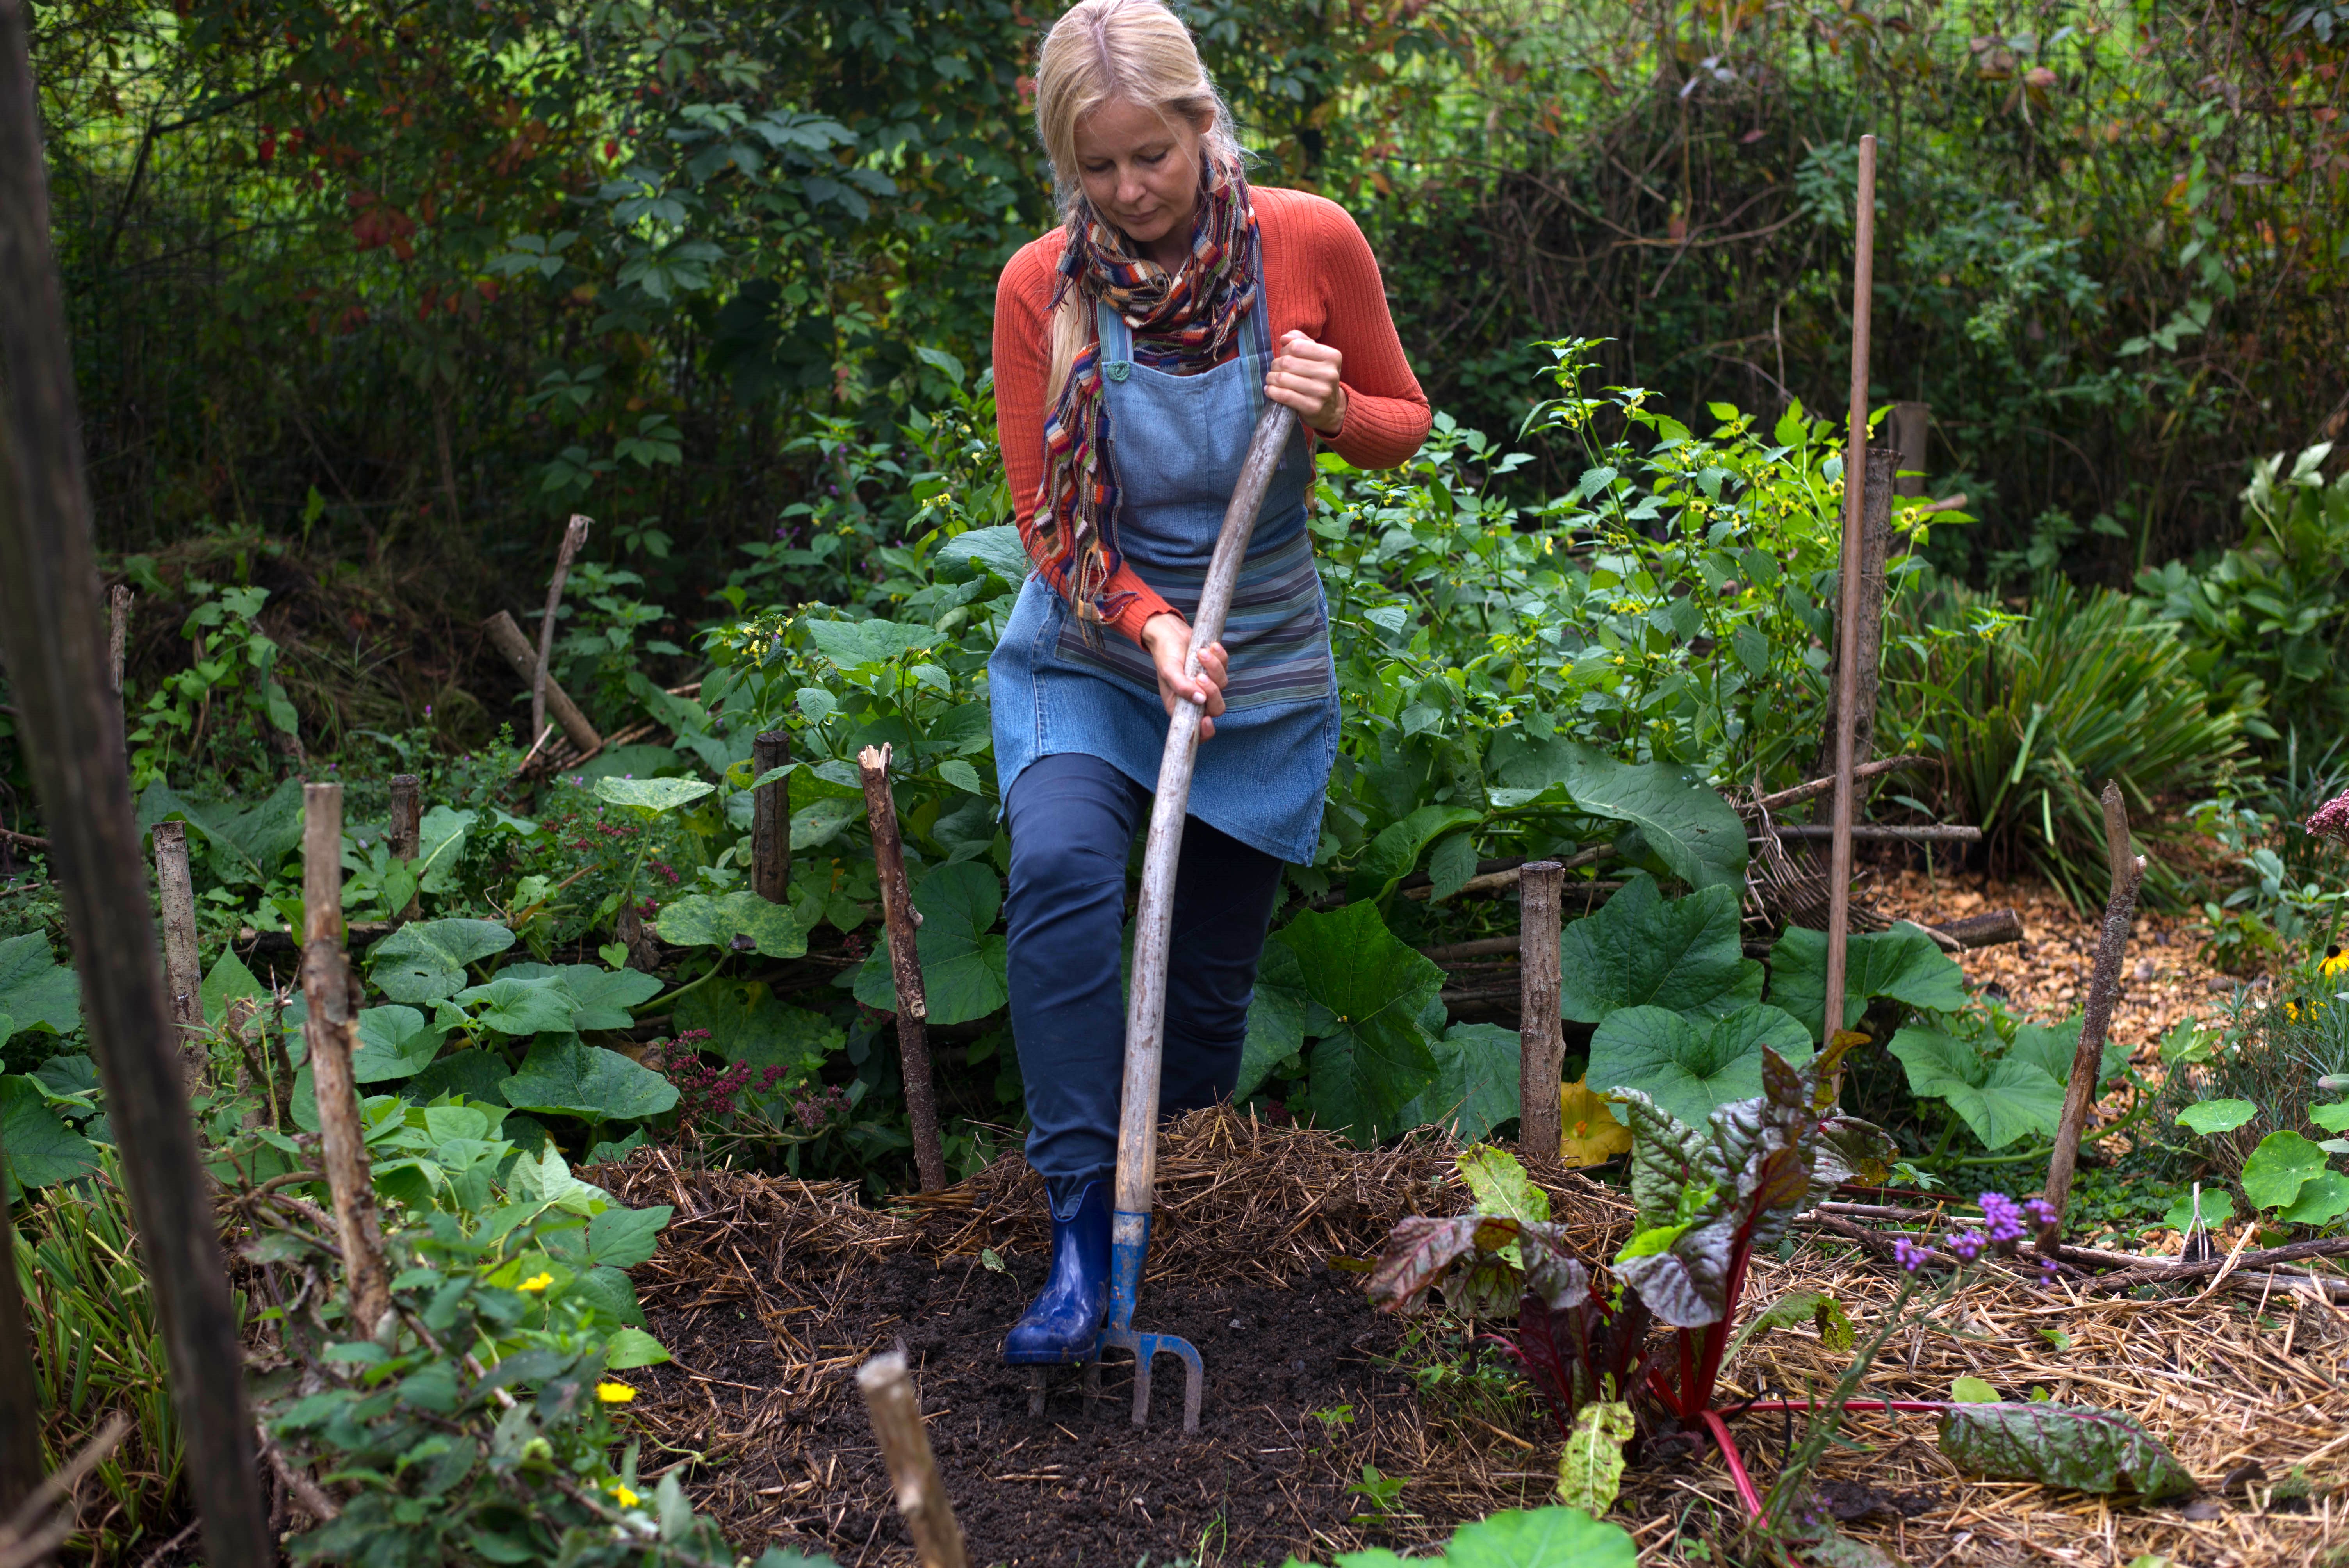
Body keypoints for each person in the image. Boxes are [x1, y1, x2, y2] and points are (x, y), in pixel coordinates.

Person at [989, 0, 1430, 1363]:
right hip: (1095, 639)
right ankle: (1073, 1236)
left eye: (1152, 159)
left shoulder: (1310, 241)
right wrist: (1150, 626)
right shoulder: (1041, 288)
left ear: (1202, 125)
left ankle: (1158, 1215)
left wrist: (1333, 405)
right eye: (1098, 168)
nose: (1129, 194)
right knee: (1063, 872)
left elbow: (1405, 426)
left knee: (1205, 984)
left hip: (1263, 656)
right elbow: (1046, 521)